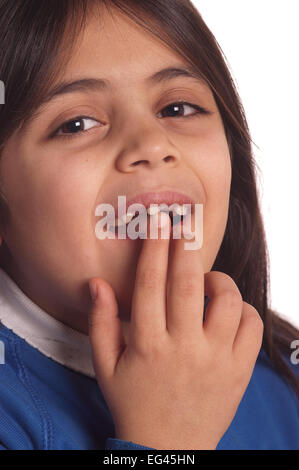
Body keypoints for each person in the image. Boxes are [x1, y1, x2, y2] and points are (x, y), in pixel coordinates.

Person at [0, 0, 298, 450]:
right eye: (77, 123)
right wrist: (168, 442)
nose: (152, 145)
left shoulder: (282, 372)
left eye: (177, 109)